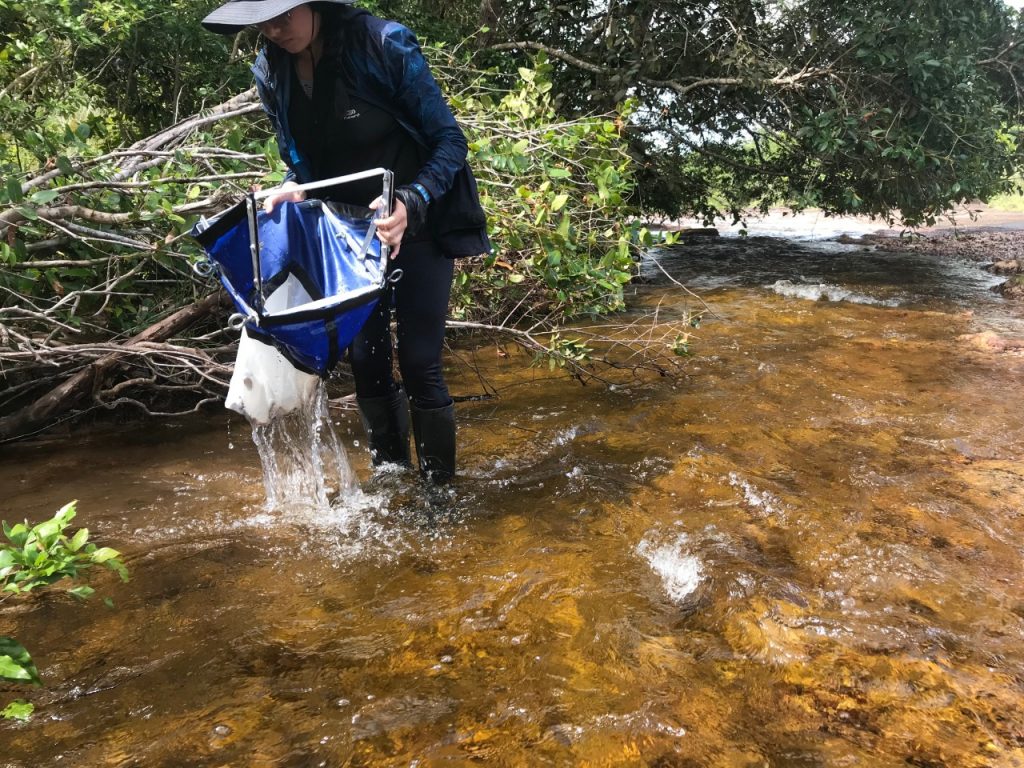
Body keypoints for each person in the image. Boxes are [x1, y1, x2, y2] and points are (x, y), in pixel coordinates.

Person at [201, 0, 490, 484]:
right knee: (366, 364)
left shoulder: (382, 43)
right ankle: (392, 484)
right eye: (263, 22)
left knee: (420, 362)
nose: (273, 29)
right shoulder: (271, 70)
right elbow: (303, 158)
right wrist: (292, 184)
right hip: (346, 235)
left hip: (413, 222)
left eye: (283, 16)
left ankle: (441, 497)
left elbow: (450, 142)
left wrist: (411, 202)